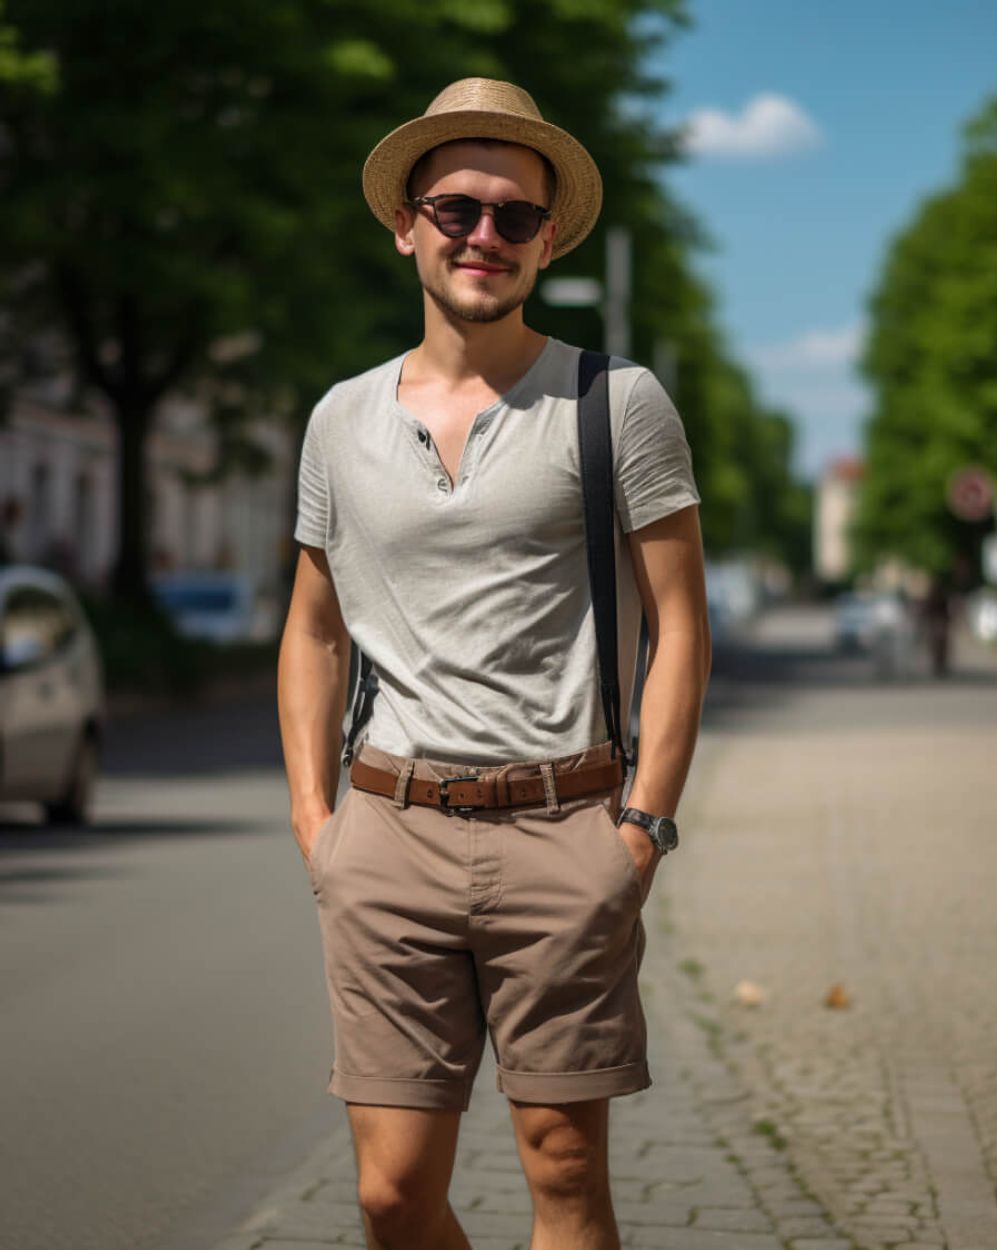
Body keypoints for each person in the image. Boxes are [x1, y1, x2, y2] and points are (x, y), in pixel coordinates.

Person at [277, 77, 711, 1250]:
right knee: (390, 1194)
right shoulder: (339, 419)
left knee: (563, 1171)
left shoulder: (616, 402)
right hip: (388, 831)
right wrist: (316, 821)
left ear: (547, 240)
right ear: (405, 223)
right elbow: (314, 628)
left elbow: (680, 624)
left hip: (567, 824)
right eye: (457, 208)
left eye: (515, 215)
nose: (485, 233)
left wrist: (641, 829)